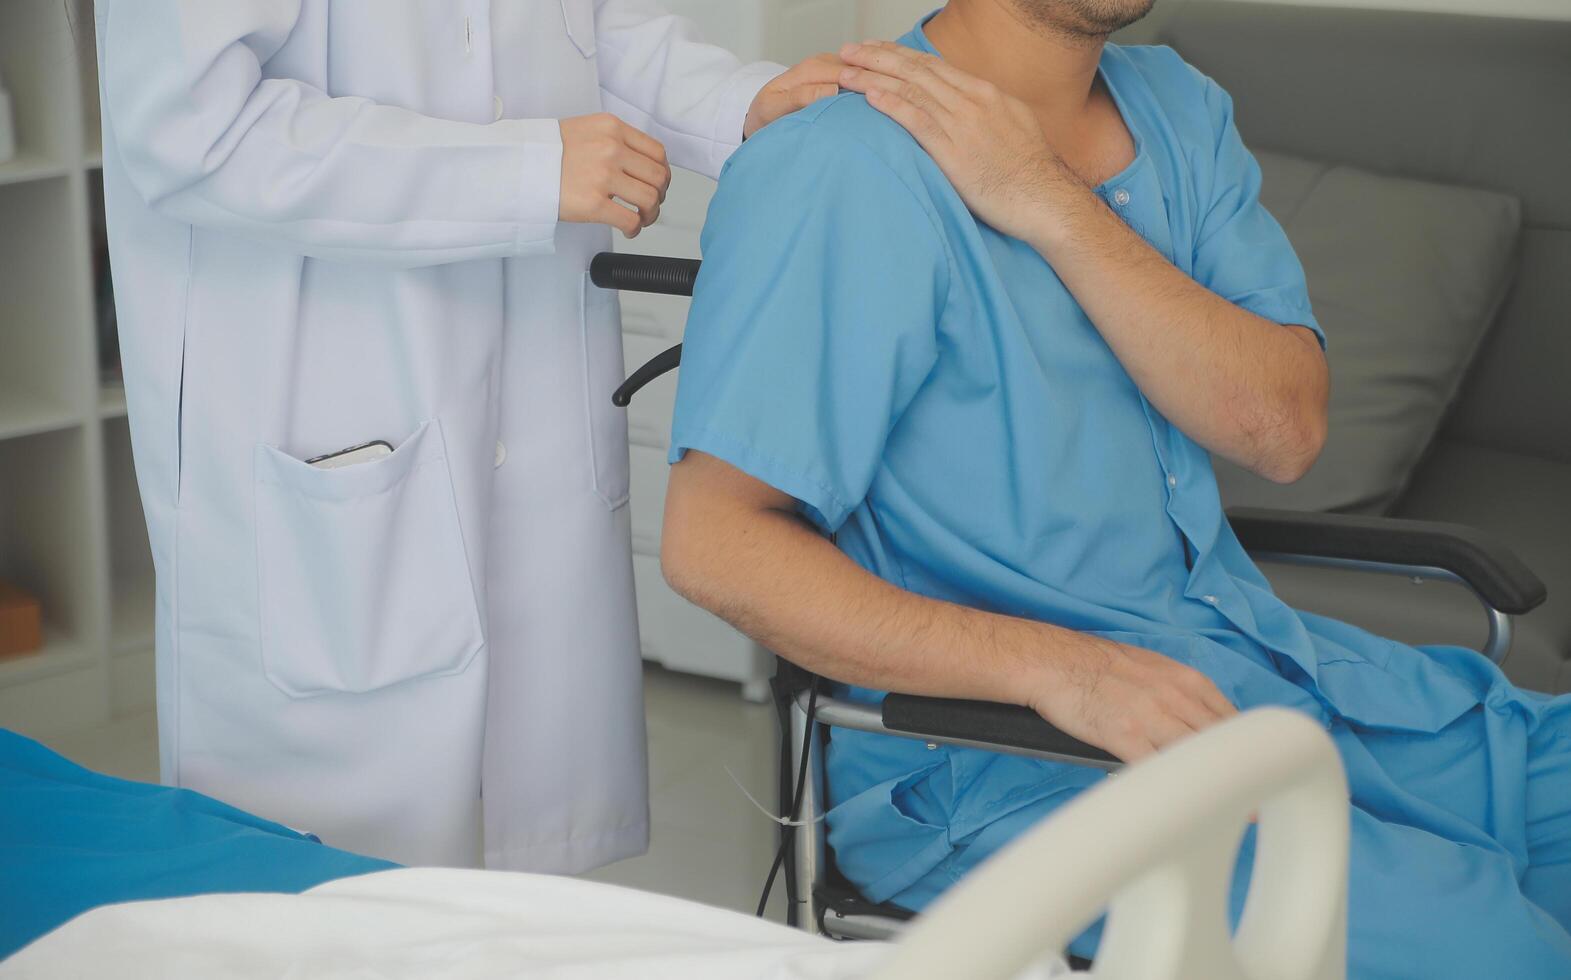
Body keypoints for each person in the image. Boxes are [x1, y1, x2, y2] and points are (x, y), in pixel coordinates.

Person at [658, 1, 1571, 975]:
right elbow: (714, 542)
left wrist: (1043, 195)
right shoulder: (839, 162)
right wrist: (1065, 670)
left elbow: (1280, 427)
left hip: (1259, 675)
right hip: (1008, 769)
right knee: (1496, 951)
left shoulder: (1178, 108)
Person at [95, 0, 841, 871]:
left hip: (529, 389)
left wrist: (740, 107)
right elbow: (190, 129)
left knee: (520, 899)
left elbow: (594, 27)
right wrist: (521, 171)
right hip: (323, 394)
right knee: (328, 904)